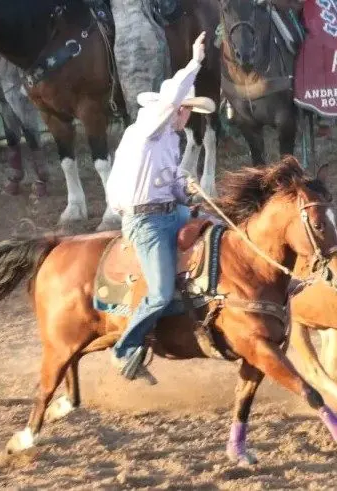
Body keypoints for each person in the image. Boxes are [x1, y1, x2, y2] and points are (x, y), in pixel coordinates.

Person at [105, 32, 217, 383]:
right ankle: (124, 348)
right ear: (176, 108)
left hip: (169, 212)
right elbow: (170, 100)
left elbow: (171, 181)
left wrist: (188, 191)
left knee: (215, 227)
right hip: (147, 223)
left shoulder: (169, 140)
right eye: (187, 109)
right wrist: (195, 61)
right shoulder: (148, 129)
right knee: (160, 293)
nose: (188, 115)